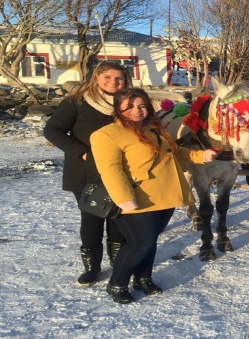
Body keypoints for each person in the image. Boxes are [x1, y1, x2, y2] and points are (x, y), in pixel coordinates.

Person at [90, 88, 216, 304]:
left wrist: (201, 155)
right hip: (137, 198)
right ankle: (117, 283)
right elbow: (110, 169)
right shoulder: (106, 134)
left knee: (150, 242)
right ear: (118, 108)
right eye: (129, 106)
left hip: (164, 195)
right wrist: (124, 199)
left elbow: (175, 152)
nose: (137, 110)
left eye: (141, 105)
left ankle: (143, 278)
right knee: (139, 243)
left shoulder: (153, 129)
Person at [43, 61, 133, 286]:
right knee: (92, 218)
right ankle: (92, 267)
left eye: (118, 79)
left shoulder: (128, 103)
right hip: (85, 171)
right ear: (96, 78)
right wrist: (81, 152)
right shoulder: (77, 101)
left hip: (122, 171)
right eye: (107, 78)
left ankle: (118, 262)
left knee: (119, 218)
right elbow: (52, 130)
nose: (113, 82)